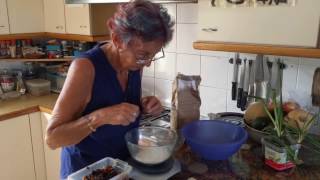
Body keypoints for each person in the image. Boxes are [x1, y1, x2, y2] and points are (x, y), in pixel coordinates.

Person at [44, 0, 174, 179]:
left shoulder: (136, 65)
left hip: (121, 168)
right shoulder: (85, 68)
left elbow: (119, 103)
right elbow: (53, 138)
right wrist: (99, 117)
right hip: (86, 172)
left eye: (153, 55)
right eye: (143, 55)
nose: (149, 63)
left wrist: (143, 105)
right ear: (118, 40)